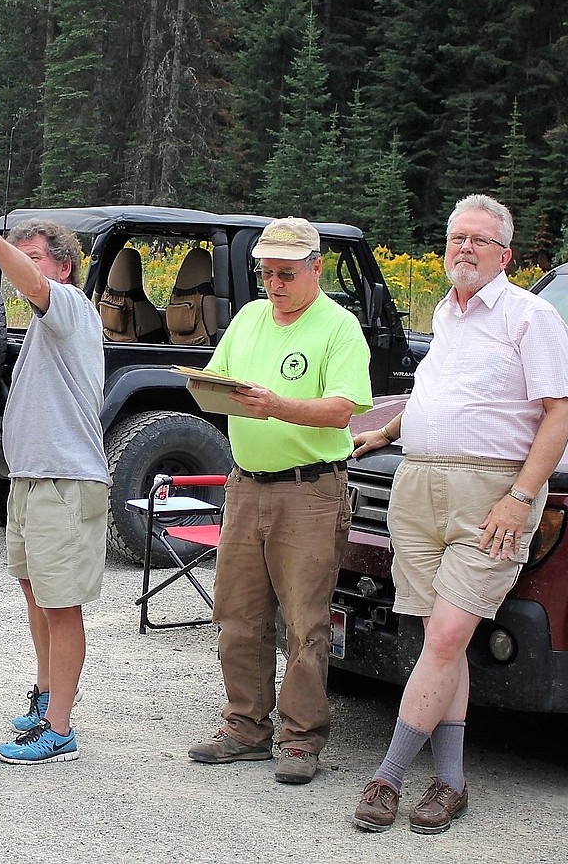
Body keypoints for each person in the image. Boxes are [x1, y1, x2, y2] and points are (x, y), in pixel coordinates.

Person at [350, 194, 568, 834]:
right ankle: (450, 782)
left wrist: (521, 496)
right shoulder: (448, 316)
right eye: (456, 238)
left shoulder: (532, 317)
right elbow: (440, 396)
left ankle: (388, 777)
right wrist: (387, 431)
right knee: (436, 645)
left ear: (505, 253)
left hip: (490, 495)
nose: (464, 249)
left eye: (479, 240)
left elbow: (559, 412)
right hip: (418, 486)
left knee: (447, 638)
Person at [186, 217, 372, 784]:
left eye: (286, 273)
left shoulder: (340, 328)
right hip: (246, 484)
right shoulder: (247, 319)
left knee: (305, 620)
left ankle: (300, 737)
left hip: (310, 489)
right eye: (266, 273)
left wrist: (276, 406)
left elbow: (344, 408)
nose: (275, 284)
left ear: (316, 267)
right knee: (237, 612)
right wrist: (209, 387)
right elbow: (217, 381)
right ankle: (245, 726)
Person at [0, 210, 110, 765]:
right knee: (36, 594)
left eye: (36, 254)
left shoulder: (69, 306)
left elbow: (32, 283)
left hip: (65, 482)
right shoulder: (46, 324)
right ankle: (45, 698)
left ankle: (60, 729)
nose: (23, 263)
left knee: (62, 604)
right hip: (32, 480)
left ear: (64, 267)